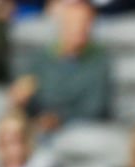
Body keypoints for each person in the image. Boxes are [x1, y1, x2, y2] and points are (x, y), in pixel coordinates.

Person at [9, 0, 111, 133]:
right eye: (73, 23)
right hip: (40, 126)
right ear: (62, 25)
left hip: (78, 130)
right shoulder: (42, 58)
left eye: (85, 23)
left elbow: (96, 108)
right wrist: (21, 100)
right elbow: (29, 95)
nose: (79, 28)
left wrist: (59, 118)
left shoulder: (99, 60)